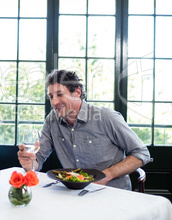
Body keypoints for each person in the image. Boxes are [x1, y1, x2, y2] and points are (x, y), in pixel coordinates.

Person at [17, 69, 152, 190]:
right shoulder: (52, 120)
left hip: (112, 194)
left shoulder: (106, 117)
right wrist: (29, 163)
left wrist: (107, 175)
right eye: (51, 96)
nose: (54, 102)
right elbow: (38, 160)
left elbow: (142, 153)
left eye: (59, 94)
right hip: (72, 194)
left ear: (77, 92)